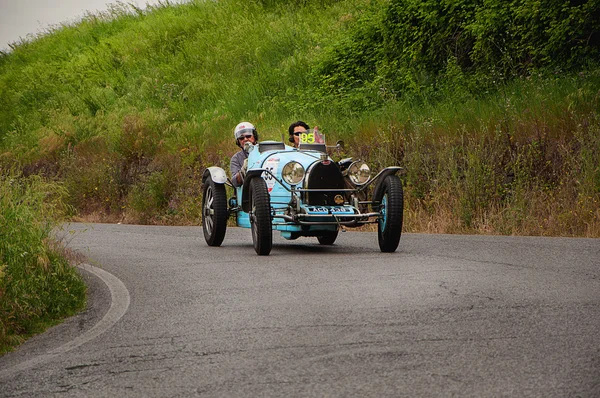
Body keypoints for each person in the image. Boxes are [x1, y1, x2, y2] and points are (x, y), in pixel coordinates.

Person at [230, 122, 258, 187]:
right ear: (238, 141)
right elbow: (234, 182)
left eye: (248, 136)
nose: (245, 139)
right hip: (248, 191)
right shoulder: (236, 158)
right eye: (241, 138)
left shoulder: (264, 151)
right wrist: (243, 171)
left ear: (254, 136)